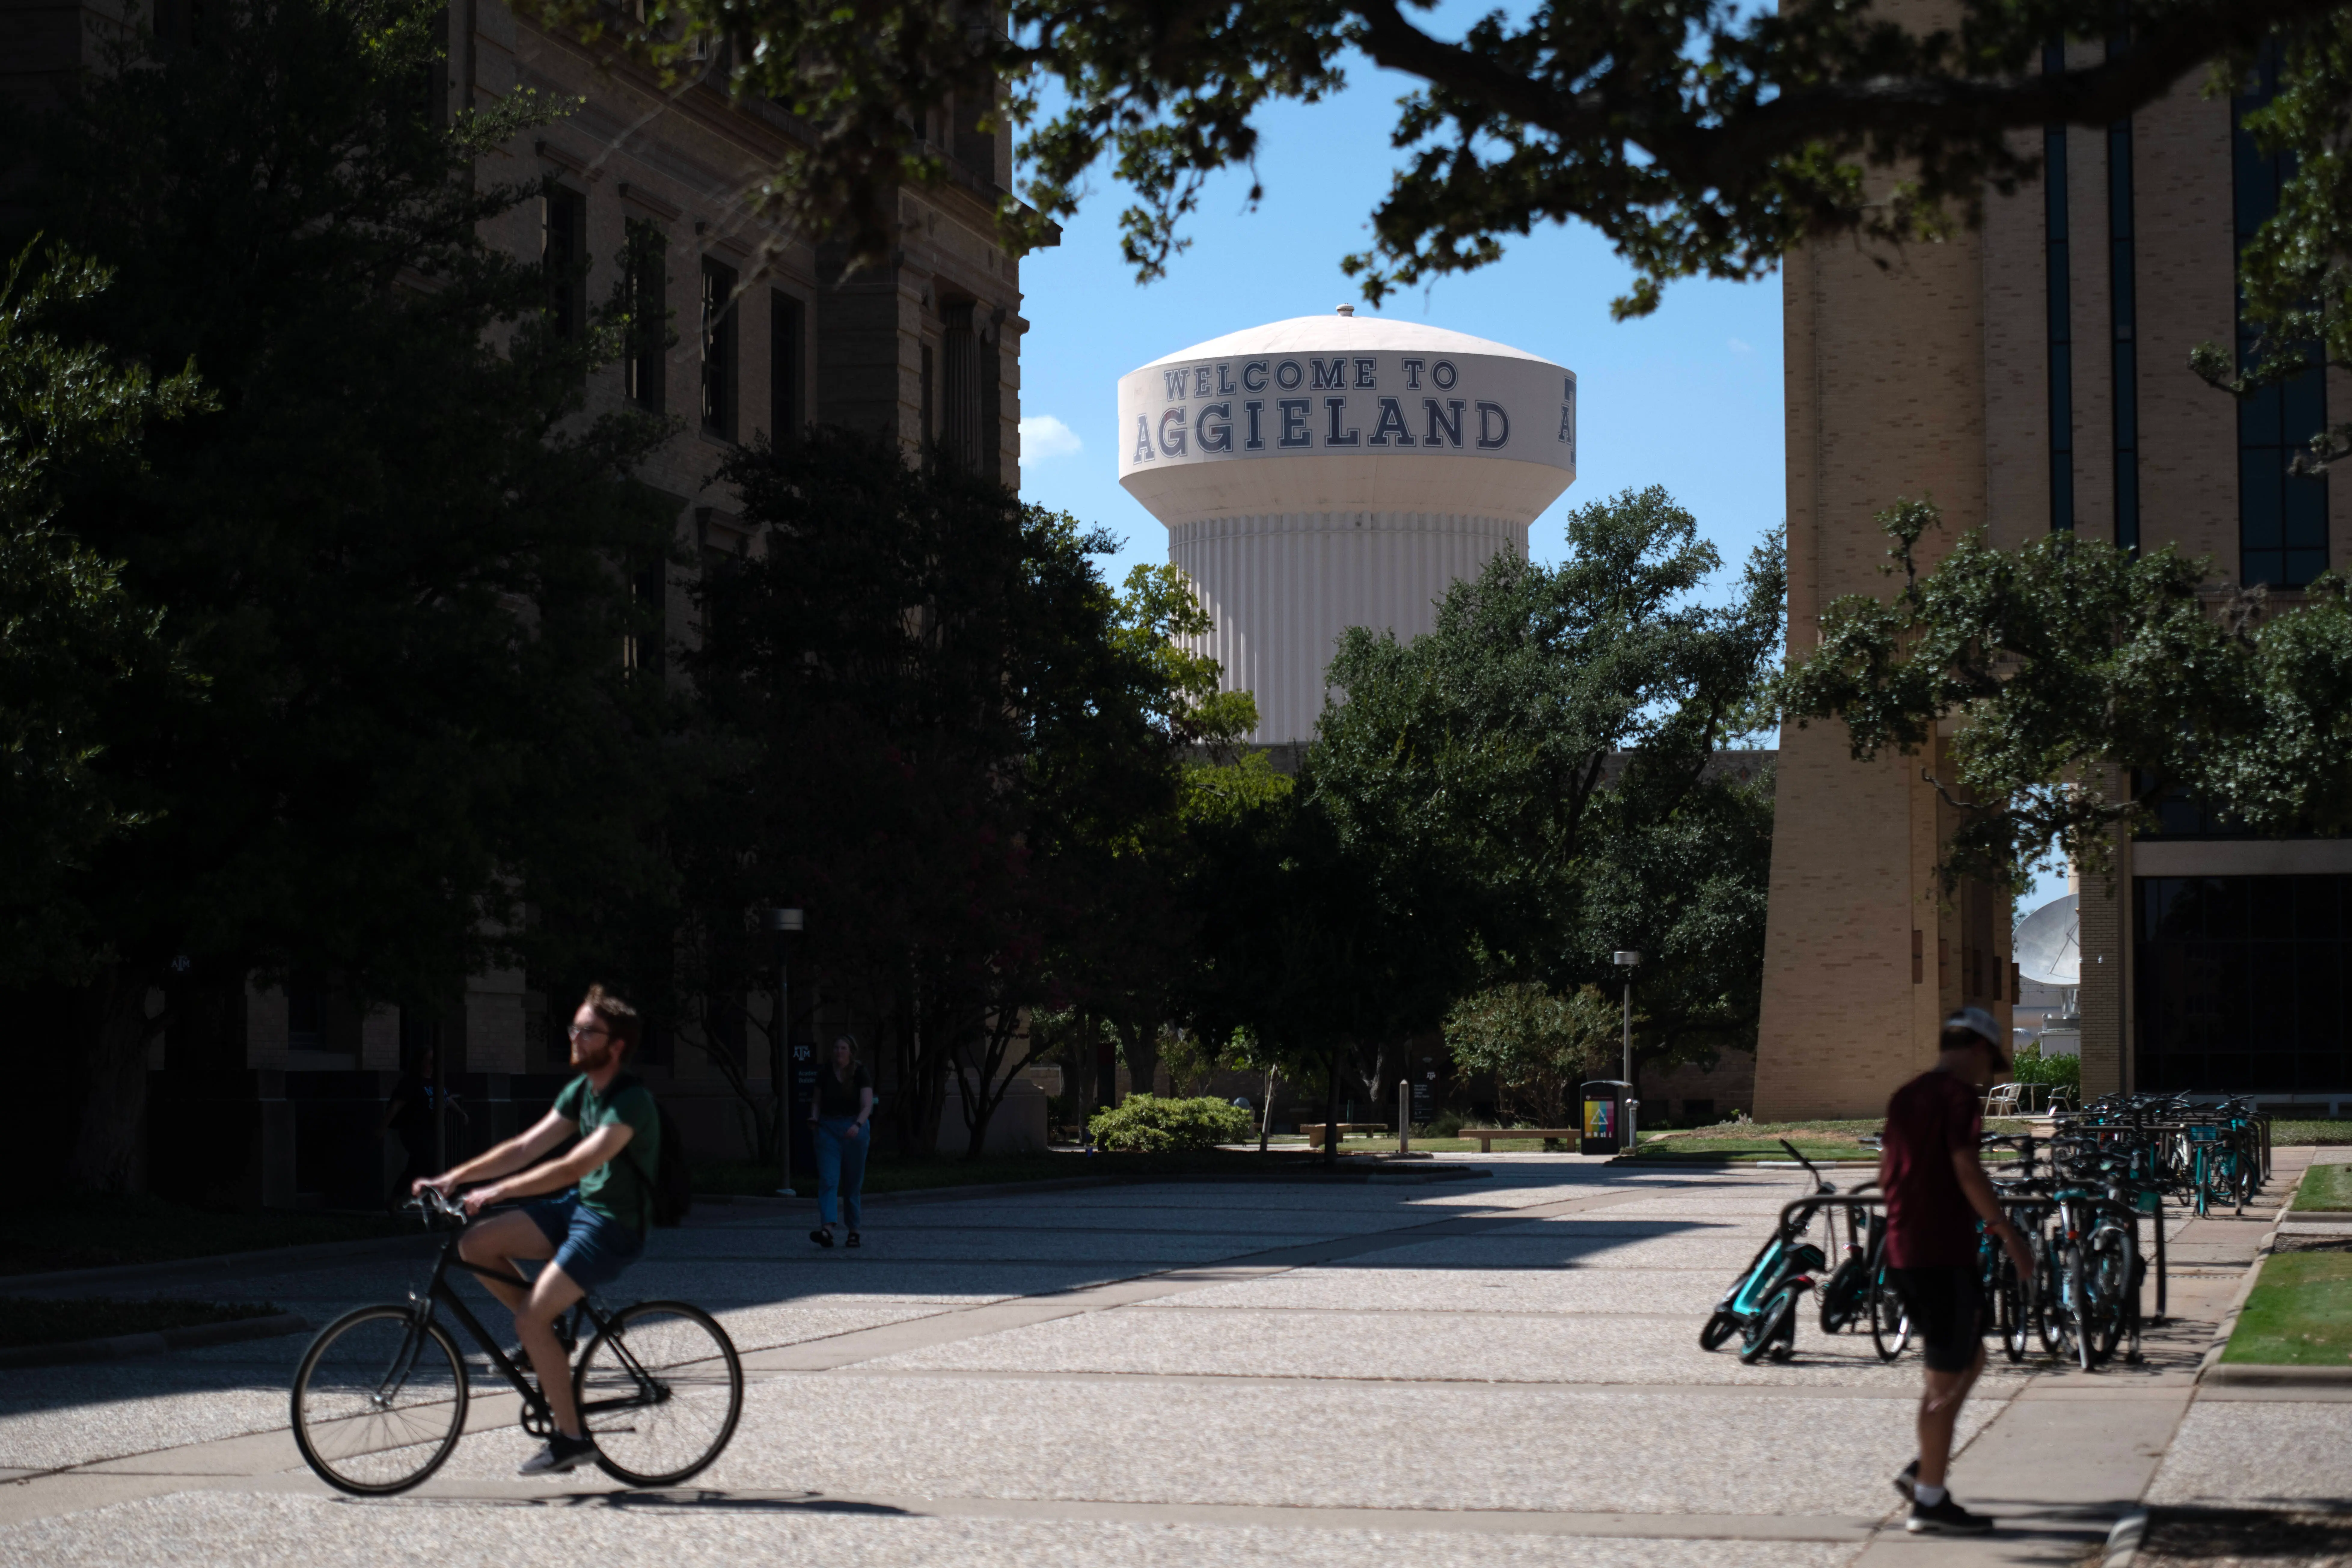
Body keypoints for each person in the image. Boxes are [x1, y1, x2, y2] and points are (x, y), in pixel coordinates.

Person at [417, 985, 660, 1476]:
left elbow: (575, 1164)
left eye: (587, 1031)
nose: (575, 1036)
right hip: (577, 1207)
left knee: (527, 1316)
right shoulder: (581, 1091)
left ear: (615, 1046)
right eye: (574, 1027)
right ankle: (544, 1330)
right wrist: (456, 1178)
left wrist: (498, 1192)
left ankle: (572, 1439)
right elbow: (525, 1147)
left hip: (613, 1225)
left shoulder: (629, 1101)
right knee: (475, 1243)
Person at [1879, 1006, 2035, 1534]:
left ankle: (1926, 1467)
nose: (1987, 1075)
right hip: (1940, 1253)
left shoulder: (1907, 1095)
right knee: (1944, 1382)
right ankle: (1929, 1499)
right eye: (1990, 1062)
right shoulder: (1956, 1097)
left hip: (1904, 1249)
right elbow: (1967, 1167)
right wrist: (2008, 1234)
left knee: (1971, 1358)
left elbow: (1890, 1170)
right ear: (1978, 1049)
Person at [808, 1033, 873, 1249]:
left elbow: (866, 1105)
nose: (839, 1052)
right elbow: (816, 1102)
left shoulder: (860, 1073)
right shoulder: (824, 1073)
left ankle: (854, 1231)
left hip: (854, 1128)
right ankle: (827, 1229)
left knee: (852, 1184)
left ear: (851, 1052)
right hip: (828, 1129)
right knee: (828, 1179)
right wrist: (815, 1118)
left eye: (843, 1048)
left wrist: (857, 1125)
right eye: (836, 1047)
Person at [380, 1047, 439, 1211]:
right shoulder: (411, 1082)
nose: (432, 1065)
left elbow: (446, 1099)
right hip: (413, 1131)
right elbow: (396, 1106)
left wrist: (461, 1113)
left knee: (416, 1166)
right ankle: (430, 1201)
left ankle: (396, 1200)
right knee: (426, 1163)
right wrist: (383, 1127)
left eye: (434, 1062)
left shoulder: (435, 1082)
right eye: (429, 1061)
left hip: (429, 1131)